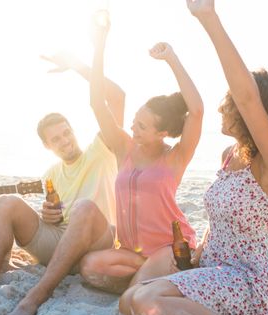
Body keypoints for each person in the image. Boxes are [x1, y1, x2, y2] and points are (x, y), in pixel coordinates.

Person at [118, 1, 268, 315]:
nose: (225, 105)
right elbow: (221, 222)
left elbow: (247, 96)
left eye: (232, 102)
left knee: (144, 303)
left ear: (251, 112)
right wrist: (195, 258)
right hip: (212, 270)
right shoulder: (230, 157)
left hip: (245, 281)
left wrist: (208, 19)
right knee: (128, 301)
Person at [0, 53, 125, 315]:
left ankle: (34, 298)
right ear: (47, 146)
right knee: (5, 202)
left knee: (84, 208)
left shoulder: (102, 150)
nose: (65, 141)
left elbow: (118, 97)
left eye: (67, 133)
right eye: (56, 139)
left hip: (99, 239)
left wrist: (78, 66)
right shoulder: (50, 174)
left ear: (74, 131)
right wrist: (48, 217)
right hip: (62, 245)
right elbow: (56, 218)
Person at [78, 13, 204, 294]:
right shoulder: (124, 147)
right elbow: (97, 103)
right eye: (135, 119)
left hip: (171, 247)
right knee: (89, 267)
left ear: (163, 133)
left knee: (135, 290)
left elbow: (196, 110)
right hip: (133, 251)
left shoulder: (175, 157)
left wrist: (171, 59)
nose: (133, 127)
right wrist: (99, 45)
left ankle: (165, 271)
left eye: (142, 126)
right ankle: (155, 276)